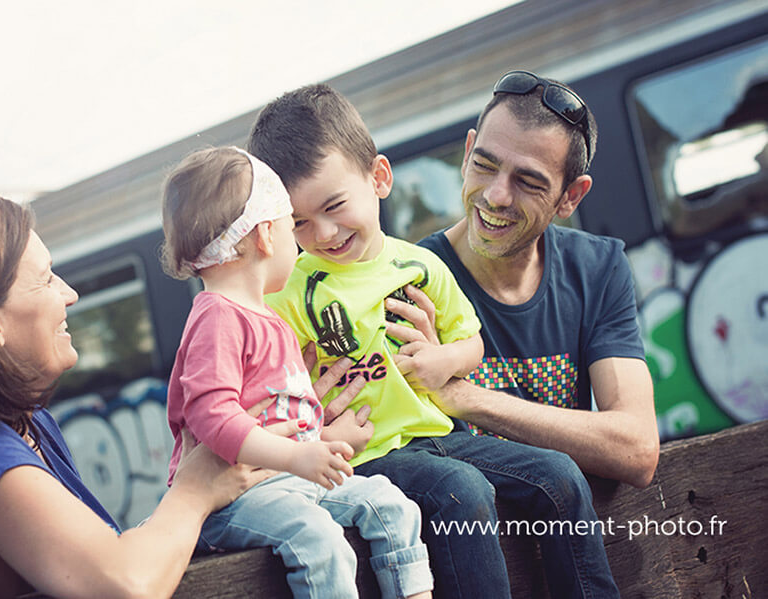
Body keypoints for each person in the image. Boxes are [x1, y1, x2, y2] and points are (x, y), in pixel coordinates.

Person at [249, 83, 621, 598]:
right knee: (461, 490)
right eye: (300, 223)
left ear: (379, 178)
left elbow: (471, 343)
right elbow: (268, 391)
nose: (326, 233)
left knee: (557, 475)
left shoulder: (419, 264)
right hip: (367, 452)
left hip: (439, 436)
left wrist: (444, 360)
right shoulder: (288, 292)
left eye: (335, 206)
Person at [0, 194, 296, 598]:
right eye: (45, 279)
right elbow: (126, 583)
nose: (69, 294)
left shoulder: (22, 429)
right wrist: (195, 489)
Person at [160, 146, 433, 599]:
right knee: (318, 539)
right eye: (293, 225)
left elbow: (273, 420)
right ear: (266, 235)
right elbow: (213, 417)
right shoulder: (218, 317)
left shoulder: (266, 315)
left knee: (391, 504)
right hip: (232, 497)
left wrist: (319, 443)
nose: (301, 241)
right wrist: (297, 458)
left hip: (285, 482)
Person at [410, 71, 660, 488]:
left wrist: (467, 399)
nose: (496, 196)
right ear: (468, 152)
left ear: (571, 197)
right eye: (484, 165)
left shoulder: (598, 267)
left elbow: (637, 451)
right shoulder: (409, 279)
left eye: (527, 182)